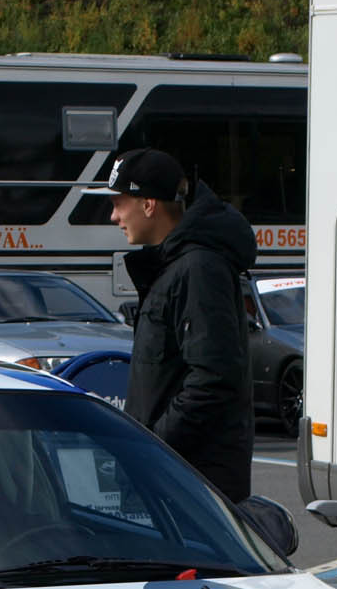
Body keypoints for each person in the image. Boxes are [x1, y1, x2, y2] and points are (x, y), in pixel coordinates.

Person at [88, 147, 257, 503]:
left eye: (119, 203)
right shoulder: (178, 266)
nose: (114, 216)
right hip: (175, 479)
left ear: (149, 204)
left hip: (190, 485)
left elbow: (213, 380)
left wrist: (153, 448)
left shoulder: (198, 268)